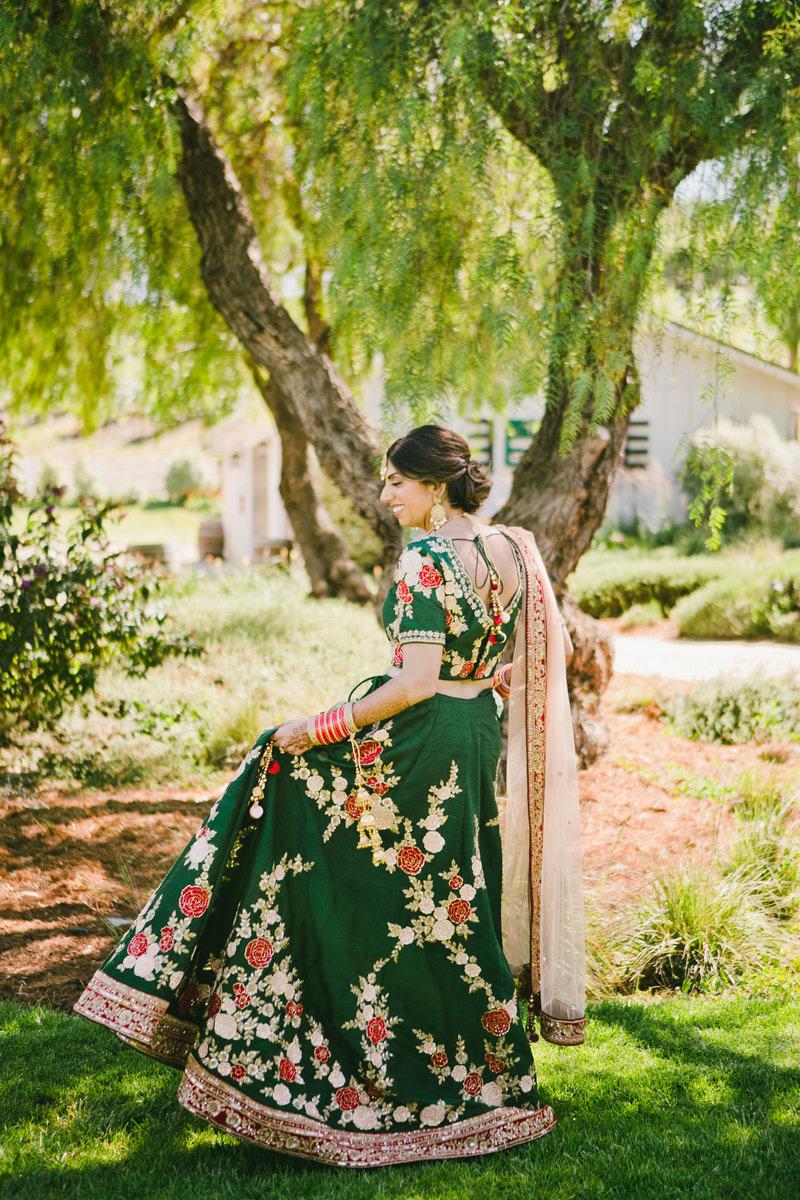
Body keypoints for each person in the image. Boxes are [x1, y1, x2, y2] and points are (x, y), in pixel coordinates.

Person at [73, 424, 585, 1168]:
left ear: (434, 488)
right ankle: (479, 1082)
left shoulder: (428, 557)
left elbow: (410, 684)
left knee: (303, 816)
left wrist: (315, 728)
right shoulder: (512, 547)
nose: (385, 496)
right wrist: (490, 680)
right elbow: (515, 655)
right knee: (446, 900)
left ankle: (318, 1056)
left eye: (396, 484)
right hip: (474, 733)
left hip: (422, 741)